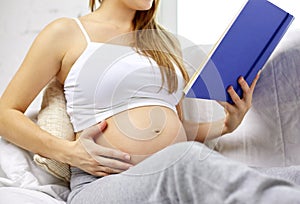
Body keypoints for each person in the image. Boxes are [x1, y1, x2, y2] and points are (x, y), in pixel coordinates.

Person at [0, 0, 300, 203]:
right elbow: (5, 113)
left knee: (293, 175)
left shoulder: (164, 43)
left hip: (174, 168)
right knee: (189, 162)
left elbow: (178, 125)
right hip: (102, 186)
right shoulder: (67, 32)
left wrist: (227, 124)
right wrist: (69, 152)